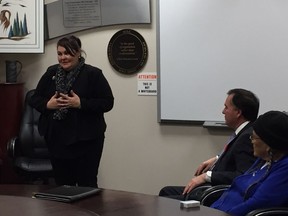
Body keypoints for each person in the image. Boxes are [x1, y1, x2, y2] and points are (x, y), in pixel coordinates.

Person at [29, 35, 114, 188]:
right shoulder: (51, 73)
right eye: (60, 53)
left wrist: (80, 103)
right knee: (62, 185)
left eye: (67, 53)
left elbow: (107, 102)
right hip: (57, 140)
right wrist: (48, 104)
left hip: (87, 141)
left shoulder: (93, 74)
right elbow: (34, 98)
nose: (63, 58)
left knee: (86, 184)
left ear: (78, 53)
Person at [159, 88, 259, 200]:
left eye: (226, 107)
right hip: (214, 188)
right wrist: (217, 158)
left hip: (218, 193)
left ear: (238, 112)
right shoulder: (244, 131)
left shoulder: (246, 137)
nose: (223, 111)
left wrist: (207, 176)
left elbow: (243, 175)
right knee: (165, 191)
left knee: (165, 200)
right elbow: (235, 156)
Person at [211, 111, 288, 216]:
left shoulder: (284, 169)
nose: (251, 141)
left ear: (268, 143)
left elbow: (257, 203)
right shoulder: (263, 160)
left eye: (254, 137)